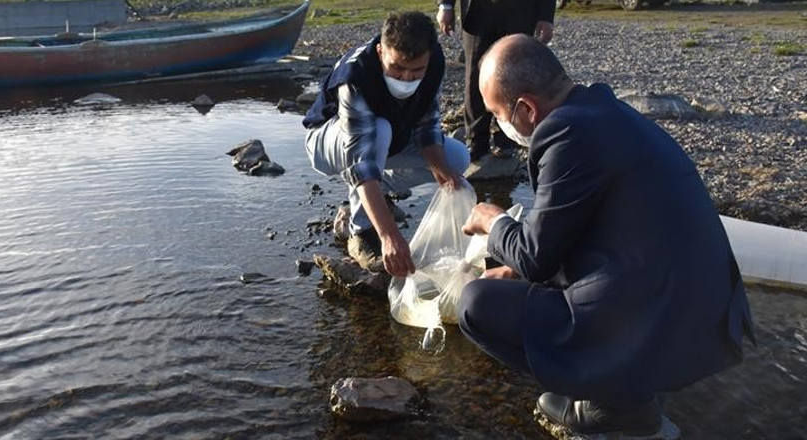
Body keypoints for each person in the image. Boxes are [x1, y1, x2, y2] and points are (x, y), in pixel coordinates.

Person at [458, 34, 756, 435]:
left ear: (526, 108)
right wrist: (519, 268)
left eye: (497, 114)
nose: (499, 124)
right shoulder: (605, 112)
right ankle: (628, 386)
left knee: (475, 303)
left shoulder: (565, 133)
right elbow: (578, 227)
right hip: (704, 317)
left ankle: (614, 401)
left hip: (659, 320)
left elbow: (535, 257)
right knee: (523, 281)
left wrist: (494, 221)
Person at [303, 12, 469, 277]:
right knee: (379, 131)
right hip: (327, 141)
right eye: (397, 68)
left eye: (416, 71)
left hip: (388, 137)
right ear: (381, 51)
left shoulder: (434, 60)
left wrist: (442, 170)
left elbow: (428, 124)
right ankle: (360, 231)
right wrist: (389, 234)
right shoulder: (356, 76)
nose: (406, 78)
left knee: (458, 158)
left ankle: (375, 199)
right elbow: (362, 161)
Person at [436, 0, 555, 162]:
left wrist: (546, 16)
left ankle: (507, 139)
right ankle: (476, 141)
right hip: (478, 13)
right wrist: (446, 5)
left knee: (515, 76)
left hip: (521, 13)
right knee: (475, 77)